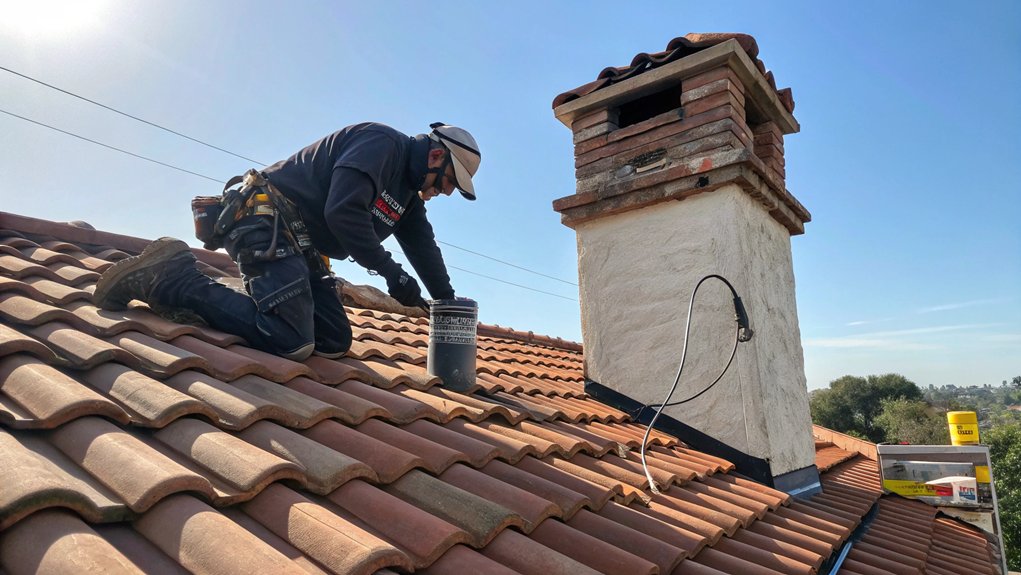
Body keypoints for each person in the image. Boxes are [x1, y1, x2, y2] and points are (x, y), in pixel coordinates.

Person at [93, 122, 481, 361]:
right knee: (290, 341)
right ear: (435, 155)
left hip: (301, 245)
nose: (445, 193)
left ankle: (251, 297)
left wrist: (445, 303)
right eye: (449, 182)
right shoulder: (381, 145)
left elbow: (423, 249)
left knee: (332, 340)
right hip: (266, 220)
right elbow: (342, 213)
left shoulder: (409, 196)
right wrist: (391, 273)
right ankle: (172, 277)